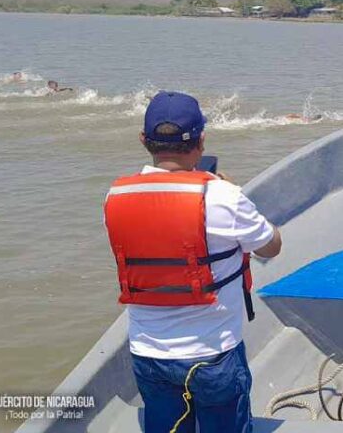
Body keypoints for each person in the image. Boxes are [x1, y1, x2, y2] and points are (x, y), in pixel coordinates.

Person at [103, 91, 282, 433]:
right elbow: (270, 247)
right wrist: (237, 196)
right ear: (201, 141)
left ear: (144, 141)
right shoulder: (224, 196)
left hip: (148, 355)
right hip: (213, 356)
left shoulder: (115, 196)